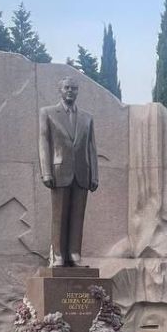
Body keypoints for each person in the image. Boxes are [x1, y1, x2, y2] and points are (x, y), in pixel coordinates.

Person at [38, 78, 99, 267]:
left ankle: (74, 254)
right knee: (59, 216)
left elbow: (91, 148)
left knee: (78, 216)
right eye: (67, 88)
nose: (70, 91)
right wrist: (46, 172)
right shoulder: (47, 112)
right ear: (60, 90)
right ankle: (57, 255)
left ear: (78, 91)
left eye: (74, 88)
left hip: (82, 173)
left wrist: (94, 175)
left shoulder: (87, 118)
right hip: (59, 171)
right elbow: (43, 142)